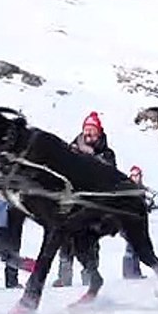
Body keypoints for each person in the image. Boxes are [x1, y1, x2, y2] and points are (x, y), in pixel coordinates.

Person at [57, 112, 117, 287]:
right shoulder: (72, 150)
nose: (89, 135)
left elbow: (109, 174)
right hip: (72, 202)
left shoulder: (107, 154)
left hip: (94, 204)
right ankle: (64, 277)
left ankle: (90, 275)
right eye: (87, 131)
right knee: (65, 239)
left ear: (99, 133)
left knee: (89, 241)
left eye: (93, 131)